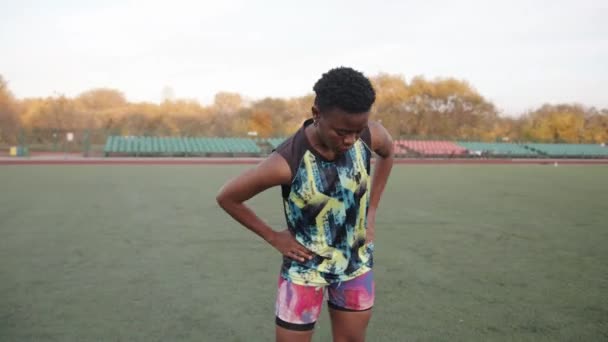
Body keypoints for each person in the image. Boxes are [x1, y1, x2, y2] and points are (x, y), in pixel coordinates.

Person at [216, 66, 394, 342]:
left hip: (354, 262)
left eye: (357, 130)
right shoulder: (286, 162)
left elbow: (388, 153)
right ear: (316, 114)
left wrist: (371, 212)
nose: (350, 140)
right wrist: (273, 237)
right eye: (341, 131)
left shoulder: (370, 135)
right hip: (304, 269)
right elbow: (227, 197)